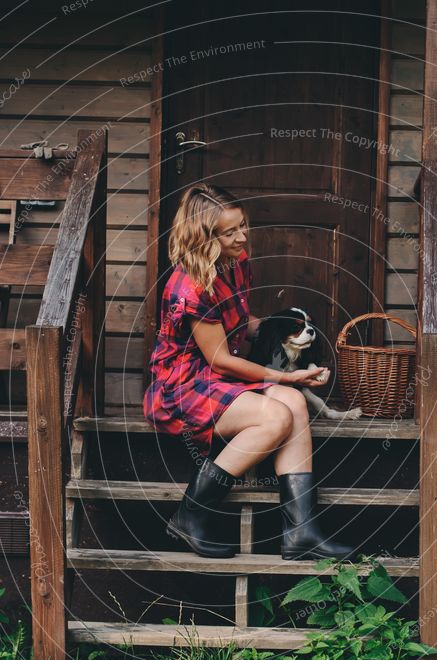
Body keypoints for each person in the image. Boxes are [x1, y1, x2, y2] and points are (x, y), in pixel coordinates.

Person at [143, 183, 356, 562]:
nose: (242, 237)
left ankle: (300, 534)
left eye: (243, 226)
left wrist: (275, 328)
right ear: (205, 237)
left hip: (219, 375)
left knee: (294, 403)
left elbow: (241, 322)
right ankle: (189, 517)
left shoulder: (236, 261)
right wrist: (286, 375)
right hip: (184, 384)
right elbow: (220, 359)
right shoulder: (191, 287)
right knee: (275, 415)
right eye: (230, 232)